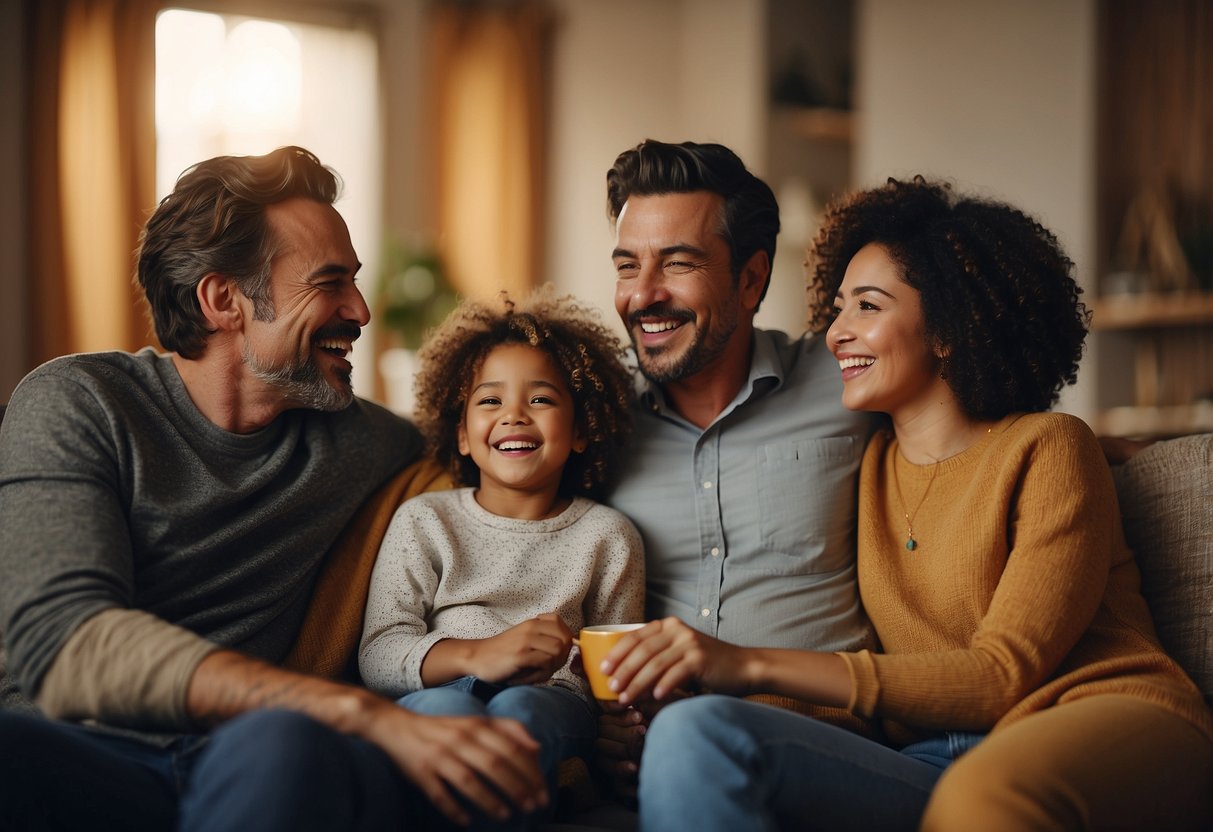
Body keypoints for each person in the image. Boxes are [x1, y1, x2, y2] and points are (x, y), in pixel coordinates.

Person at [597, 177, 1213, 831]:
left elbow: (1000, 676)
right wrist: (681, 704)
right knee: (699, 732)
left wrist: (739, 662)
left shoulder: (1049, 448)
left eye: (866, 307)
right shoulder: (867, 468)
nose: (835, 334)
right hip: (928, 753)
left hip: (1098, 713)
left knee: (981, 798)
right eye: (836, 309)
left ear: (948, 328)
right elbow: (879, 683)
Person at [0, 146, 548, 831]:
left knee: (286, 744)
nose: (360, 309)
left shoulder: (368, 442)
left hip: (248, 760)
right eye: (330, 282)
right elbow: (65, 642)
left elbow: (524, 462)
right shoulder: (81, 403)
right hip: (79, 754)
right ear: (224, 299)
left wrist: (594, 699)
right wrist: (354, 711)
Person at [597, 139, 878, 792]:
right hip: (656, 758)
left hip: (827, 743)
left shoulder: (845, 383)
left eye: (677, 264)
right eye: (626, 266)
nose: (642, 296)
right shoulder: (591, 420)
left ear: (750, 279)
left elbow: (977, 436)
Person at [358, 288, 645, 826]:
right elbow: (379, 654)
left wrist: (621, 727)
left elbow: (616, 674)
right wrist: (479, 655)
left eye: (540, 399)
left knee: (522, 714)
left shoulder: (609, 536)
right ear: (463, 434)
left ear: (581, 429)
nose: (514, 415)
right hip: (441, 692)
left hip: (552, 703)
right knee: (448, 714)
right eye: (490, 401)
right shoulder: (425, 521)